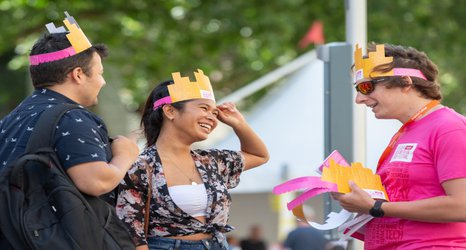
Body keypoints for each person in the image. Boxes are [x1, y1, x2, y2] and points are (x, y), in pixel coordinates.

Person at [0, 12, 138, 248]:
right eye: (100, 73)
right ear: (78, 74)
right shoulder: (73, 117)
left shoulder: (10, 120)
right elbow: (95, 181)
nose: (102, 82)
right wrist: (126, 154)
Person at [116, 69, 269, 250]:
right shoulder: (141, 166)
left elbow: (260, 155)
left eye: (214, 112)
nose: (212, 117)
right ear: (170, 111)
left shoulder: (211, 161)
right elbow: (132, 230)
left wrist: (239, 124)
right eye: (204, 108)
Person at [332, 43, 466, 249]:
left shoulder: (449, 127)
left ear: (405, 82)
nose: (359, 99)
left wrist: (376, 206)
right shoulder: (407, 131)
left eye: (366, 87)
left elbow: (462, 206)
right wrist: (361, 201)